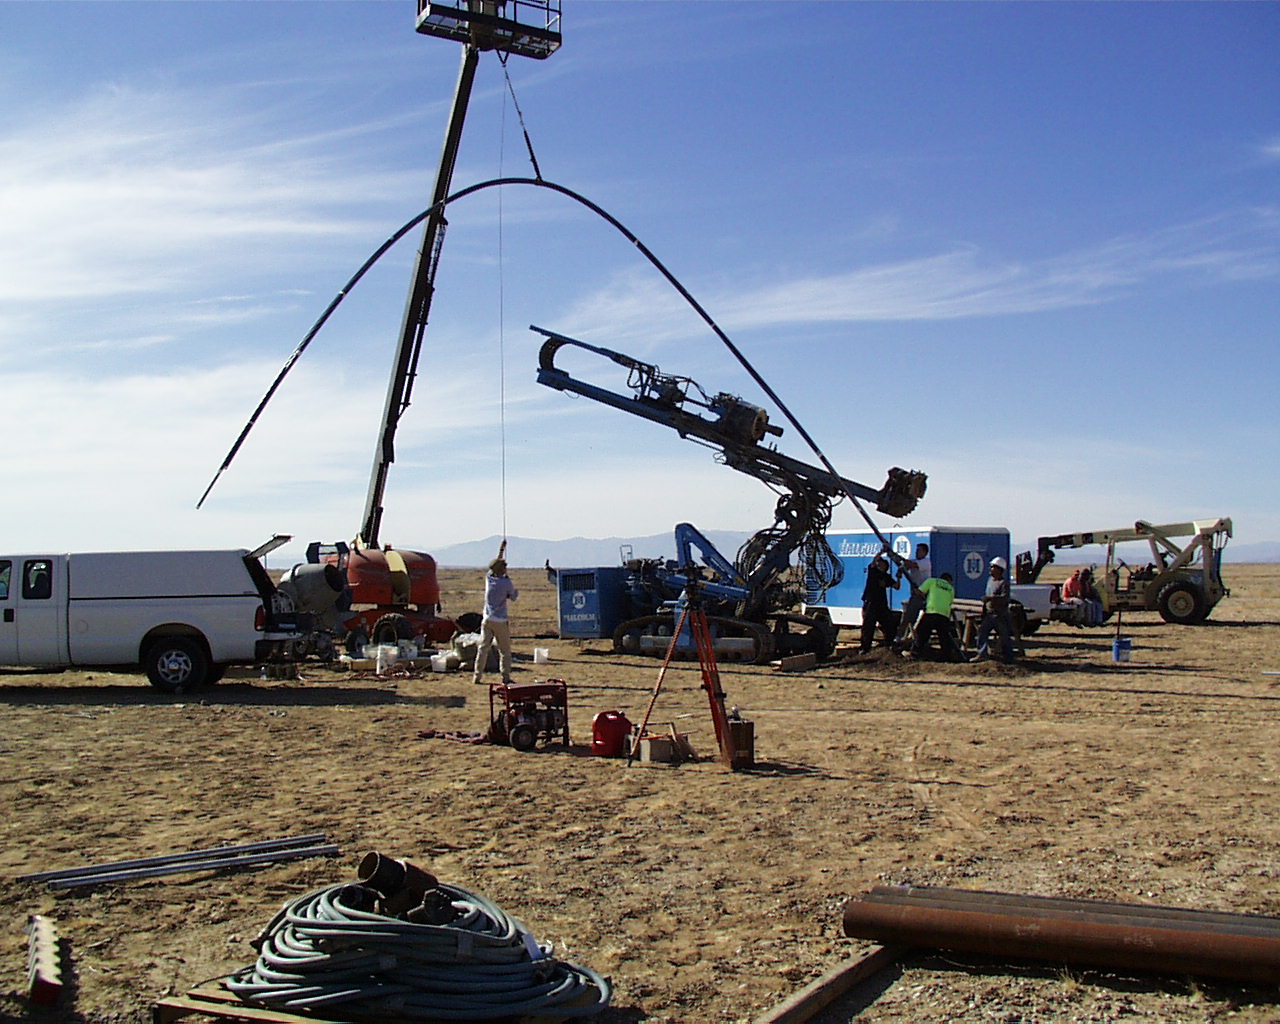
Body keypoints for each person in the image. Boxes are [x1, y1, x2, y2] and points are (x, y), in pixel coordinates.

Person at [473, 557, 519, 685]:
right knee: (504, 651)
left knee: (483, 649)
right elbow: (513, 597)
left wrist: (501, 549)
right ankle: (505, 677)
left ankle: (477, 676)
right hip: (500, 620)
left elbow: (493, 567)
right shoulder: (506, 583)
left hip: (487, 619)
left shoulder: (489, 579)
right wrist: (513, 590)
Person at [905, 571, 963, 662]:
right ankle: (946, 656)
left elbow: (919, 592)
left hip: (931, 611)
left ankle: (915, 653)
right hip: (944, 614)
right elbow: (950, 602)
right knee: (944, 637)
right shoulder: (951, 588)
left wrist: (922, 596)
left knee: (922, 633)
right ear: (949, 581)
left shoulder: (932, 581)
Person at [974, 556, 1016, 664]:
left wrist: (990, 598)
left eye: (993, 567)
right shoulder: (990, 581)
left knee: (1005, 636)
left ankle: (1009, 658)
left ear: (999, 569)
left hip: (1000, 615)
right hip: (989, 613)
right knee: (982, 633)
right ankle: (982, 654)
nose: (990, 569)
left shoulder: (1003, 583)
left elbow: (1005, 598)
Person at [892, 542, 931, 648]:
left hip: (924, 593)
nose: (916, 552)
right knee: (909, 616)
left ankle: (917, 639)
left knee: (923, 618)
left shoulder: (926, 562)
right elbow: (904, 567)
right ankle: (900, 638)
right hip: (915, 593)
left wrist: (898, 557)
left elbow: (910, 565)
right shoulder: (914, 561)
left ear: (924, 552)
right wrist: (900, 569)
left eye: (919, 550)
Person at [859, 553, 900, 654]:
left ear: (885, 566)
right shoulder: (873, 572)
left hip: (882, 605)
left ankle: (889, 644)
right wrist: (881, 551)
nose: (878, 564)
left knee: (889, 624)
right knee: (868, 627)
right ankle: (865, 648)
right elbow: (873, 561)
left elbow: (897, 586)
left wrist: (899, 577)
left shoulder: (886, 577)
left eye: (881, 563)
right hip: (871, 603)